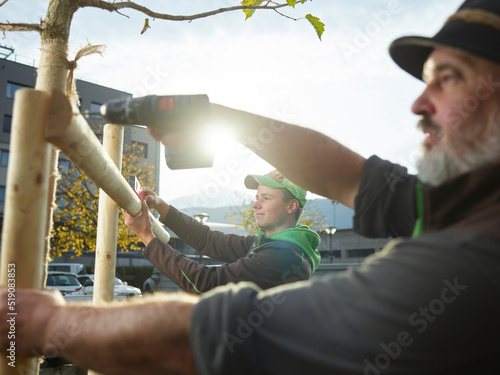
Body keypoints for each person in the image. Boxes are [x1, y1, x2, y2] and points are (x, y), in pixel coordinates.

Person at [2, 0, 500, 373]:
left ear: (291, 207)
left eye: (449, 78)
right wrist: (213, 120)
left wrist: (47, 324)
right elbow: (346, 175)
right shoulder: (457, 200)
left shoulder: (472, 263)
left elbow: (207, 327)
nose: (418, 103)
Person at [122, 170, 321, 293]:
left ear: (291, 206)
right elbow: (208, 240)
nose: (255, 205)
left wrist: (147, 236)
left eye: (266, 198)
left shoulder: (283, 257)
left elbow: (206, 284)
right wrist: (160, 205)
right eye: (257, 197)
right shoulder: (270, 245)